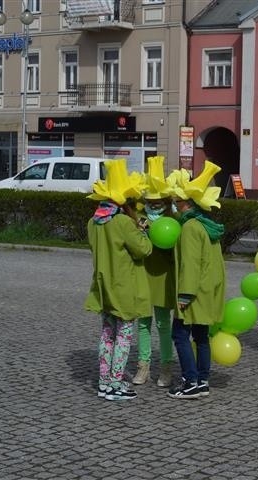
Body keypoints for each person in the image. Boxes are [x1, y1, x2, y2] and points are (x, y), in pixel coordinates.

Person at [85, 159, 153, 401]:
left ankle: (103, 381)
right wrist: (142, 230)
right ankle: (115, 382)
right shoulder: (123, 222)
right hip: (124, 288)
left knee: (107, 334)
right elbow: (144, 250)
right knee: (124, 335)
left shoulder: (93, 222)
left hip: (103, 287)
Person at [165, 161, 226, 399]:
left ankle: (190, 381)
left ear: (187, 203)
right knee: (201, 337)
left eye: (177, 202)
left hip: (194, 292)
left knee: (179, 335)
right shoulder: (207, 225)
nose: (175, 206)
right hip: (208, 290)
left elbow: (191, 264)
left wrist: (185, 295)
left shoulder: (191, 227)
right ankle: (202, 380)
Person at [132, 156, 175, 388]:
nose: (154, 207)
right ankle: (143, 366)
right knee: (143, 323)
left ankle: (166, 367)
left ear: (166, 203)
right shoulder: (139, 220)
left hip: (163, 278)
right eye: (150, 202)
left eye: (158, 203)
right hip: (142, 276)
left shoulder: (172, 221)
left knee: (163, 324)